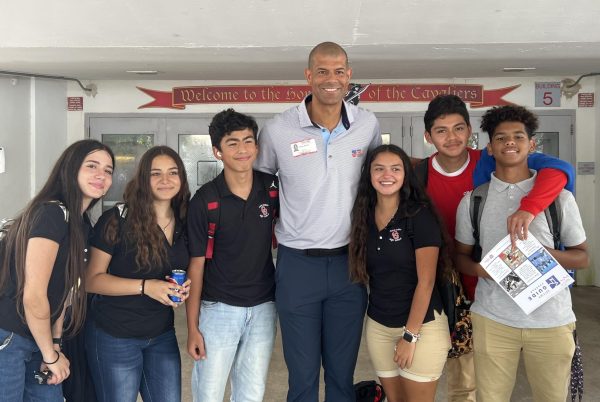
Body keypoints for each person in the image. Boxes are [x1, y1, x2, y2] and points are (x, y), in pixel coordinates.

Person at [418, 94, 574, 402]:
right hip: (443, 290)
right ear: (428, 136)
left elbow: (559, 169)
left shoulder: (492, 159)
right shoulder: (417, 174)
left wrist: (529, 208)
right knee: (463, 381)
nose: (452, 137)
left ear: (470, 133)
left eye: (459, 128)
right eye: (441, 130)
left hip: (490, 291)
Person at [255, 41, 381, 401]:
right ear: (308, 76)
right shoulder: (279, 129)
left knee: (342, 376)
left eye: (339, 71)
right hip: (297, 266)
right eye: (322, 71)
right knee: (303, 376)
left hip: (349, 266)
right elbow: (260, 189)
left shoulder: (366, 124)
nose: (331, 79)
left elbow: (377, 184)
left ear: (349, 76)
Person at [454, 105, 589, 402]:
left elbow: (582, 257)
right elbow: (460, 256)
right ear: (490, 148)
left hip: (552, 320)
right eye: (500, 138)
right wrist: (482, 270)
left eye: (518, 136)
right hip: (493, 319)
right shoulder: (474, 201)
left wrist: (542, 254)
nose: (510, 142)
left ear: (532, 144)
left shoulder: (560, 199)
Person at [0, 139, 114, 402]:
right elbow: (34, 295)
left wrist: (54, 345)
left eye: (108, 170)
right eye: (92, 166)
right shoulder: (52, 213)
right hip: (10, 338)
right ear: (70, 169)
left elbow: (64, 294)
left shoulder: (81, 224)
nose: (101, 175)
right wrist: (50, 356)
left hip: (38, 338)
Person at [85, 146, 191, 402]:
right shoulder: (117, 220)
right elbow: (92, 280)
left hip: (161, 335)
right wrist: (146, 286)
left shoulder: (186, 220)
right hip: (115, 335)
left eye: (172, 172)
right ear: (144, 178)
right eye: (156, 173)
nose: (165, 180)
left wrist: (181, 288)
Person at [186, 109, 278, 402]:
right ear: (217, 151)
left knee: (251, 393)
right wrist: (192, 327)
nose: (242, 150)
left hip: (264, 307)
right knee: (209, 394)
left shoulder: (271, 189)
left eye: (248, 141)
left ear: (257, 147)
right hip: (218, 310)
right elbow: (196, 266)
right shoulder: (205, 200)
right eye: (232, 143)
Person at [349, 144, 450, 402]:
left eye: (395, 169)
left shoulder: (418, 215)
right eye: (379, 169)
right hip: (379, 326)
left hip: (421, 326)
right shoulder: (363, 216)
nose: (387, 175)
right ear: (369, 175)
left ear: (405, 175)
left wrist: (410, 336)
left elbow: (426, 283)